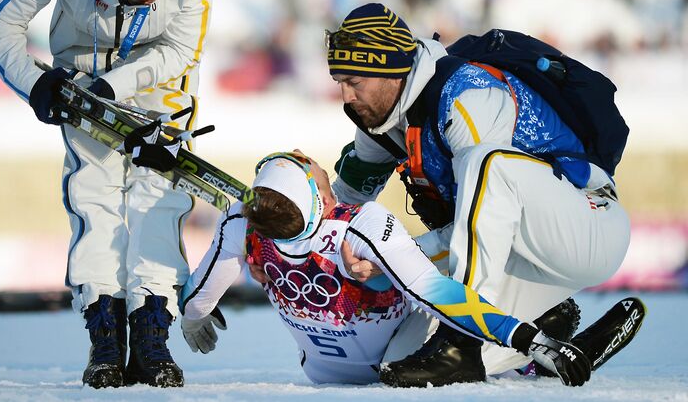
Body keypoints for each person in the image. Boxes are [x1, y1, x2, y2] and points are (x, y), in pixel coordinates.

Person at [326, 3, 630, 386]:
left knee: (487, 163)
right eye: (339, 81)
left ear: (391, 70)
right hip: (515, 250)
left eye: (355, 81)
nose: (345, 96)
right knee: (394, 361)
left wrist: (391, 256)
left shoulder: (467, 95)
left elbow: (484, 206)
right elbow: (341, 210)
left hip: (586, 225)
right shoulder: (377, 119)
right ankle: (544, 333)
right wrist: (282, 230)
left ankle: (462, 343)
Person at [0, 0, 212, 389]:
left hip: (161, 83)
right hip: (82, 75)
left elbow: (181, 48)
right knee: (95, 198)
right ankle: (104, 333)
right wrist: (33, 83)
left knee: (159, 201)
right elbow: (0, 19)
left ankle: (153, 331)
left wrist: (117, 87)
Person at [178, 151, 591, 387]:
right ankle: (527, 351)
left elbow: (196, 302)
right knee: (452, 253)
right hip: (399, 352)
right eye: (323, 178)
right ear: (318, 197)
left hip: (323, 372)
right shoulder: (360, 225)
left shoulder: (243, 224)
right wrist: (527, 338)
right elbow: (438, 294)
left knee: (409, 263)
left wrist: (194, 318)